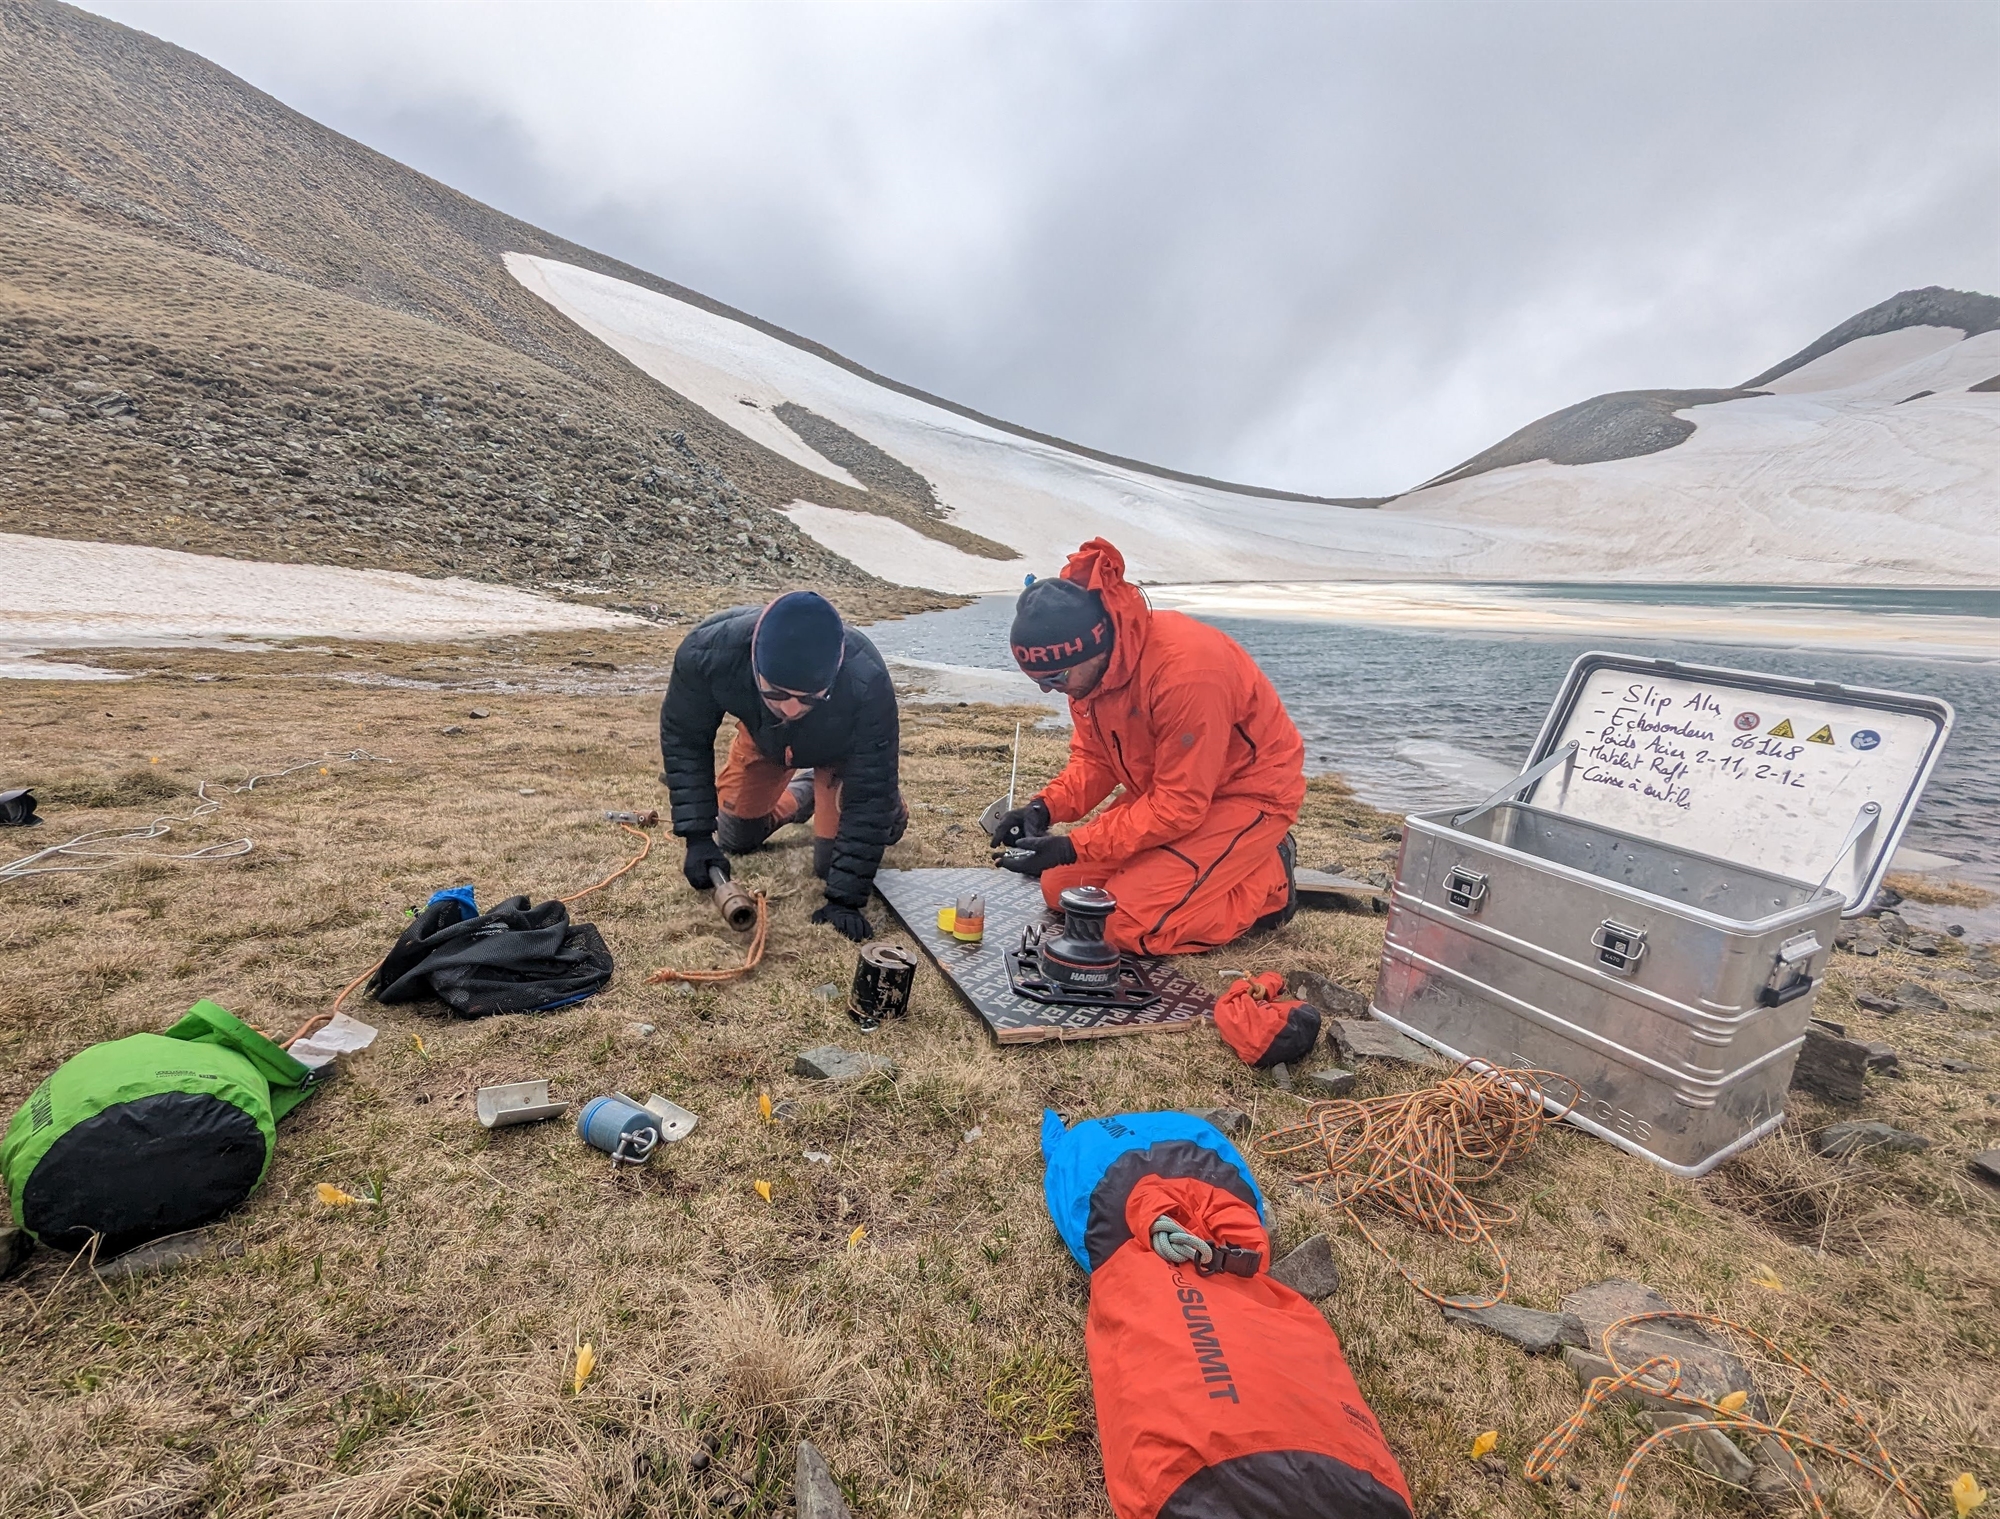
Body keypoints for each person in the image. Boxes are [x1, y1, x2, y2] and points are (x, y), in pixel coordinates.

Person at [992, 538, 1305, 956]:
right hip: (1169, 793)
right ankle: (1215, 871)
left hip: (1246, 797)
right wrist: (1043, 808)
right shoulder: (1091, 676)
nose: (1053, 691)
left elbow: (1179, 806)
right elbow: (1095, 759)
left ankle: (1270, 881)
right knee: (1060, 890)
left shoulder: (1188, 673)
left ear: (1094, 645)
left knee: (1126, 926)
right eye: (1040, 682)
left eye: (1057, 679)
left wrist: (1073, 845)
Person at [659, 590, 905, 942]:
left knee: (830, 863)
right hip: (764, 741)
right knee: (735, 838)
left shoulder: (867, 678)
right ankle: (806, 793)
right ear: (754, 664)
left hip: (842, 754)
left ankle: (891, 807)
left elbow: (870, 789)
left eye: (808, 699)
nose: (790, 709)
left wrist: (844, 899)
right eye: (775, 694)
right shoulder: (707, 653)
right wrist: (696, 836)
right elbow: (685, 738)